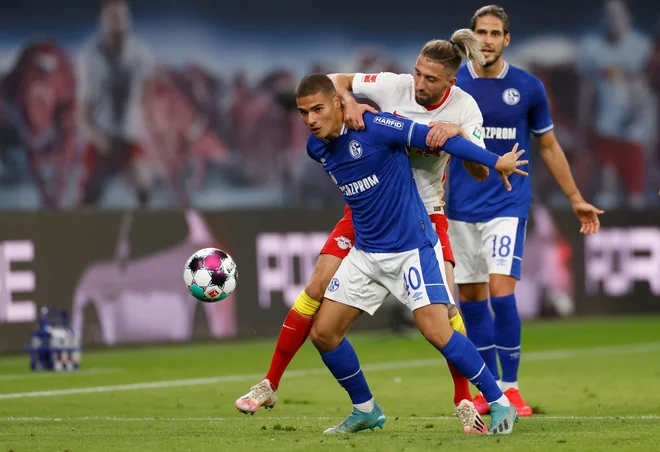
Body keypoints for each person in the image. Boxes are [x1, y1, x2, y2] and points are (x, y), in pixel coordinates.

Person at [236, 31, 499, 434]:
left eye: (431, 79)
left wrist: (462, 138)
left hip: (425, 212)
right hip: (368, 209)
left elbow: (478, 172)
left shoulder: (467, 109)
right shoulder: (393, 86)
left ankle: (465, 400)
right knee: (316, 288)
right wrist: (351, 101)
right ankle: (272, 383)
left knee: (445, 315)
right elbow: (329, 80)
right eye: (418, 73)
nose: (420, 84)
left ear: (451, 81)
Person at [294, 73, 523, 434]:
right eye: (303, 113)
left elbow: (443, 141)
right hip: (367, 253)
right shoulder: (316, 147)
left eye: (317, 110)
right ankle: (366, 409)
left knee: (437, 331)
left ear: (337, 103)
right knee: (323, 333)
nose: (310, 120)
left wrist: (496, 162)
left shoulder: (380, 127)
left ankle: (499, 402)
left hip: (410, 248)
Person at [448, 4, 604, 417]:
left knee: (502, 293)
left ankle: (512, 387)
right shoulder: (453, 84)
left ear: (506, 39)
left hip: (507, 203)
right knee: (472, 298)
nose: (486, 40)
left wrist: (574, 197)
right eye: (479, 32)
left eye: (494, 33)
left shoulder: (527, 87)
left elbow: (548, 146)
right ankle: (487, 389)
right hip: (460, 207)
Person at [76, 0, 154, 207]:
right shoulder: (90, 57)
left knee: (145, 190)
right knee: (88, 198)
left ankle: (141, 236)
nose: (118, 22)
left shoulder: (141, 55)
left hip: (130, 139)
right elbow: (82, 112)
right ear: (103, 21)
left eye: (121, 16)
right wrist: (97, 138)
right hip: (102, 140)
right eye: (112, 17)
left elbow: (149, 101)